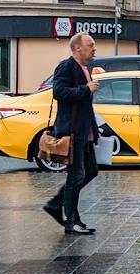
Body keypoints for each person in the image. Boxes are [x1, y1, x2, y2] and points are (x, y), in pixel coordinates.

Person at [42, 32, 101, 235]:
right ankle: (71, 221)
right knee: (77, 176)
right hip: (73, 132)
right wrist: (86, 89)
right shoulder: (66, 66)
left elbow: (85, 104)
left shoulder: (85, 68)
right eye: (90, 45)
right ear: (77, 48)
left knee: (91, 171)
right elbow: (59, 92)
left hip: (85, 132)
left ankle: (55, 204)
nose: (94, 49)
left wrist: (94, 130)